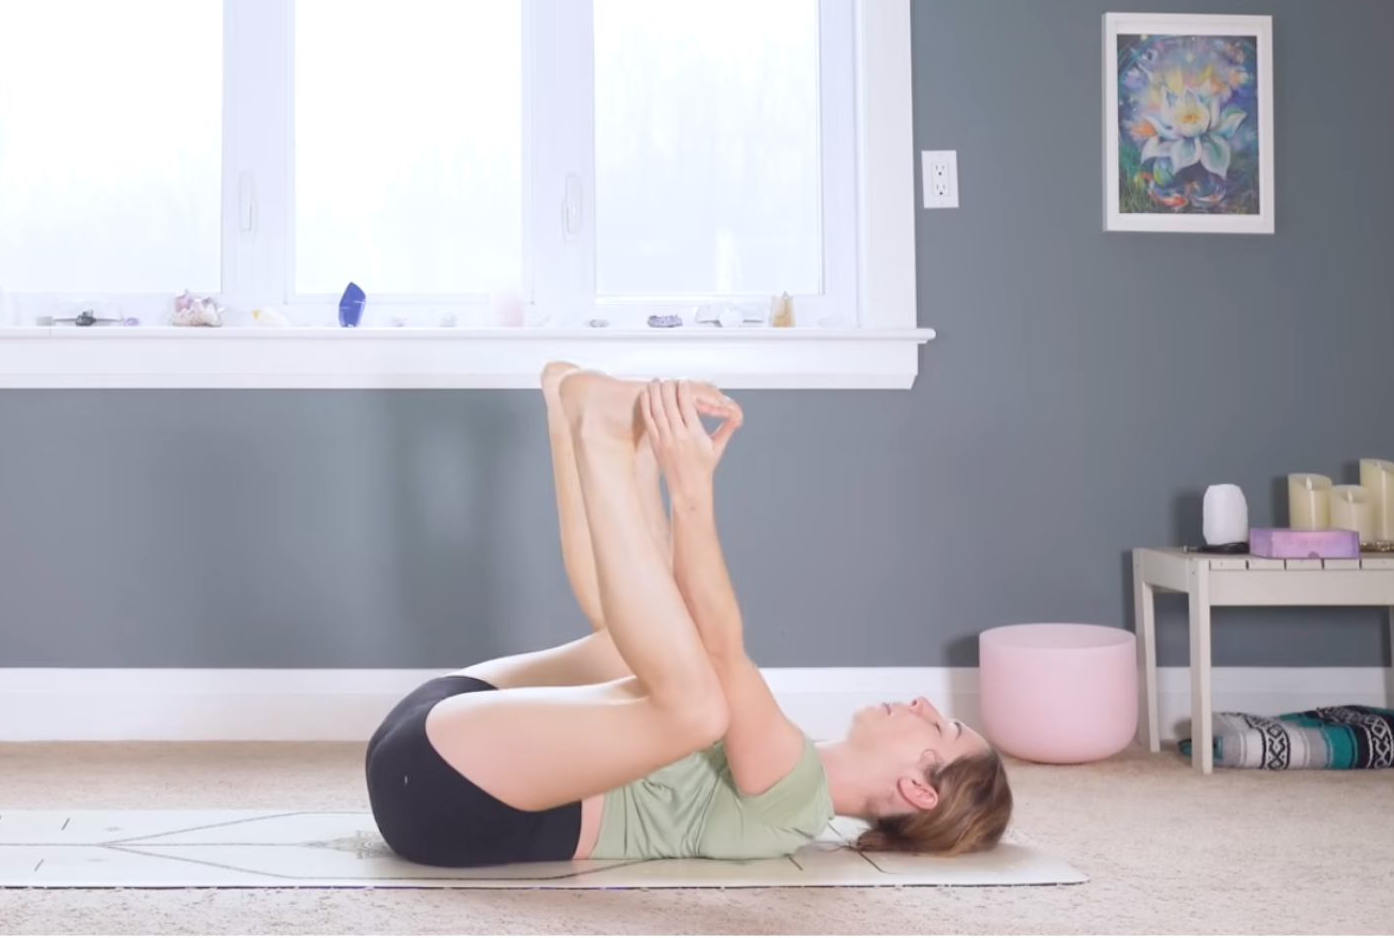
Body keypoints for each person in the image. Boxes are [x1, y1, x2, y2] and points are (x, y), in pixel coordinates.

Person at [364, 364, 1012, 867]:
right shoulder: (787, 756)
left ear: (919, 790)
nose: (927, 702)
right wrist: (654, 468)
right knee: (650, 653)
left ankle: (599, 433)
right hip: (441, 745)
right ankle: (580, 424)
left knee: (699, 703)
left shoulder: (798, 804)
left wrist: (690, 486)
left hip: (445, 797)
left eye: (945, 727)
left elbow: (721, 644)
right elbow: (666, 622)